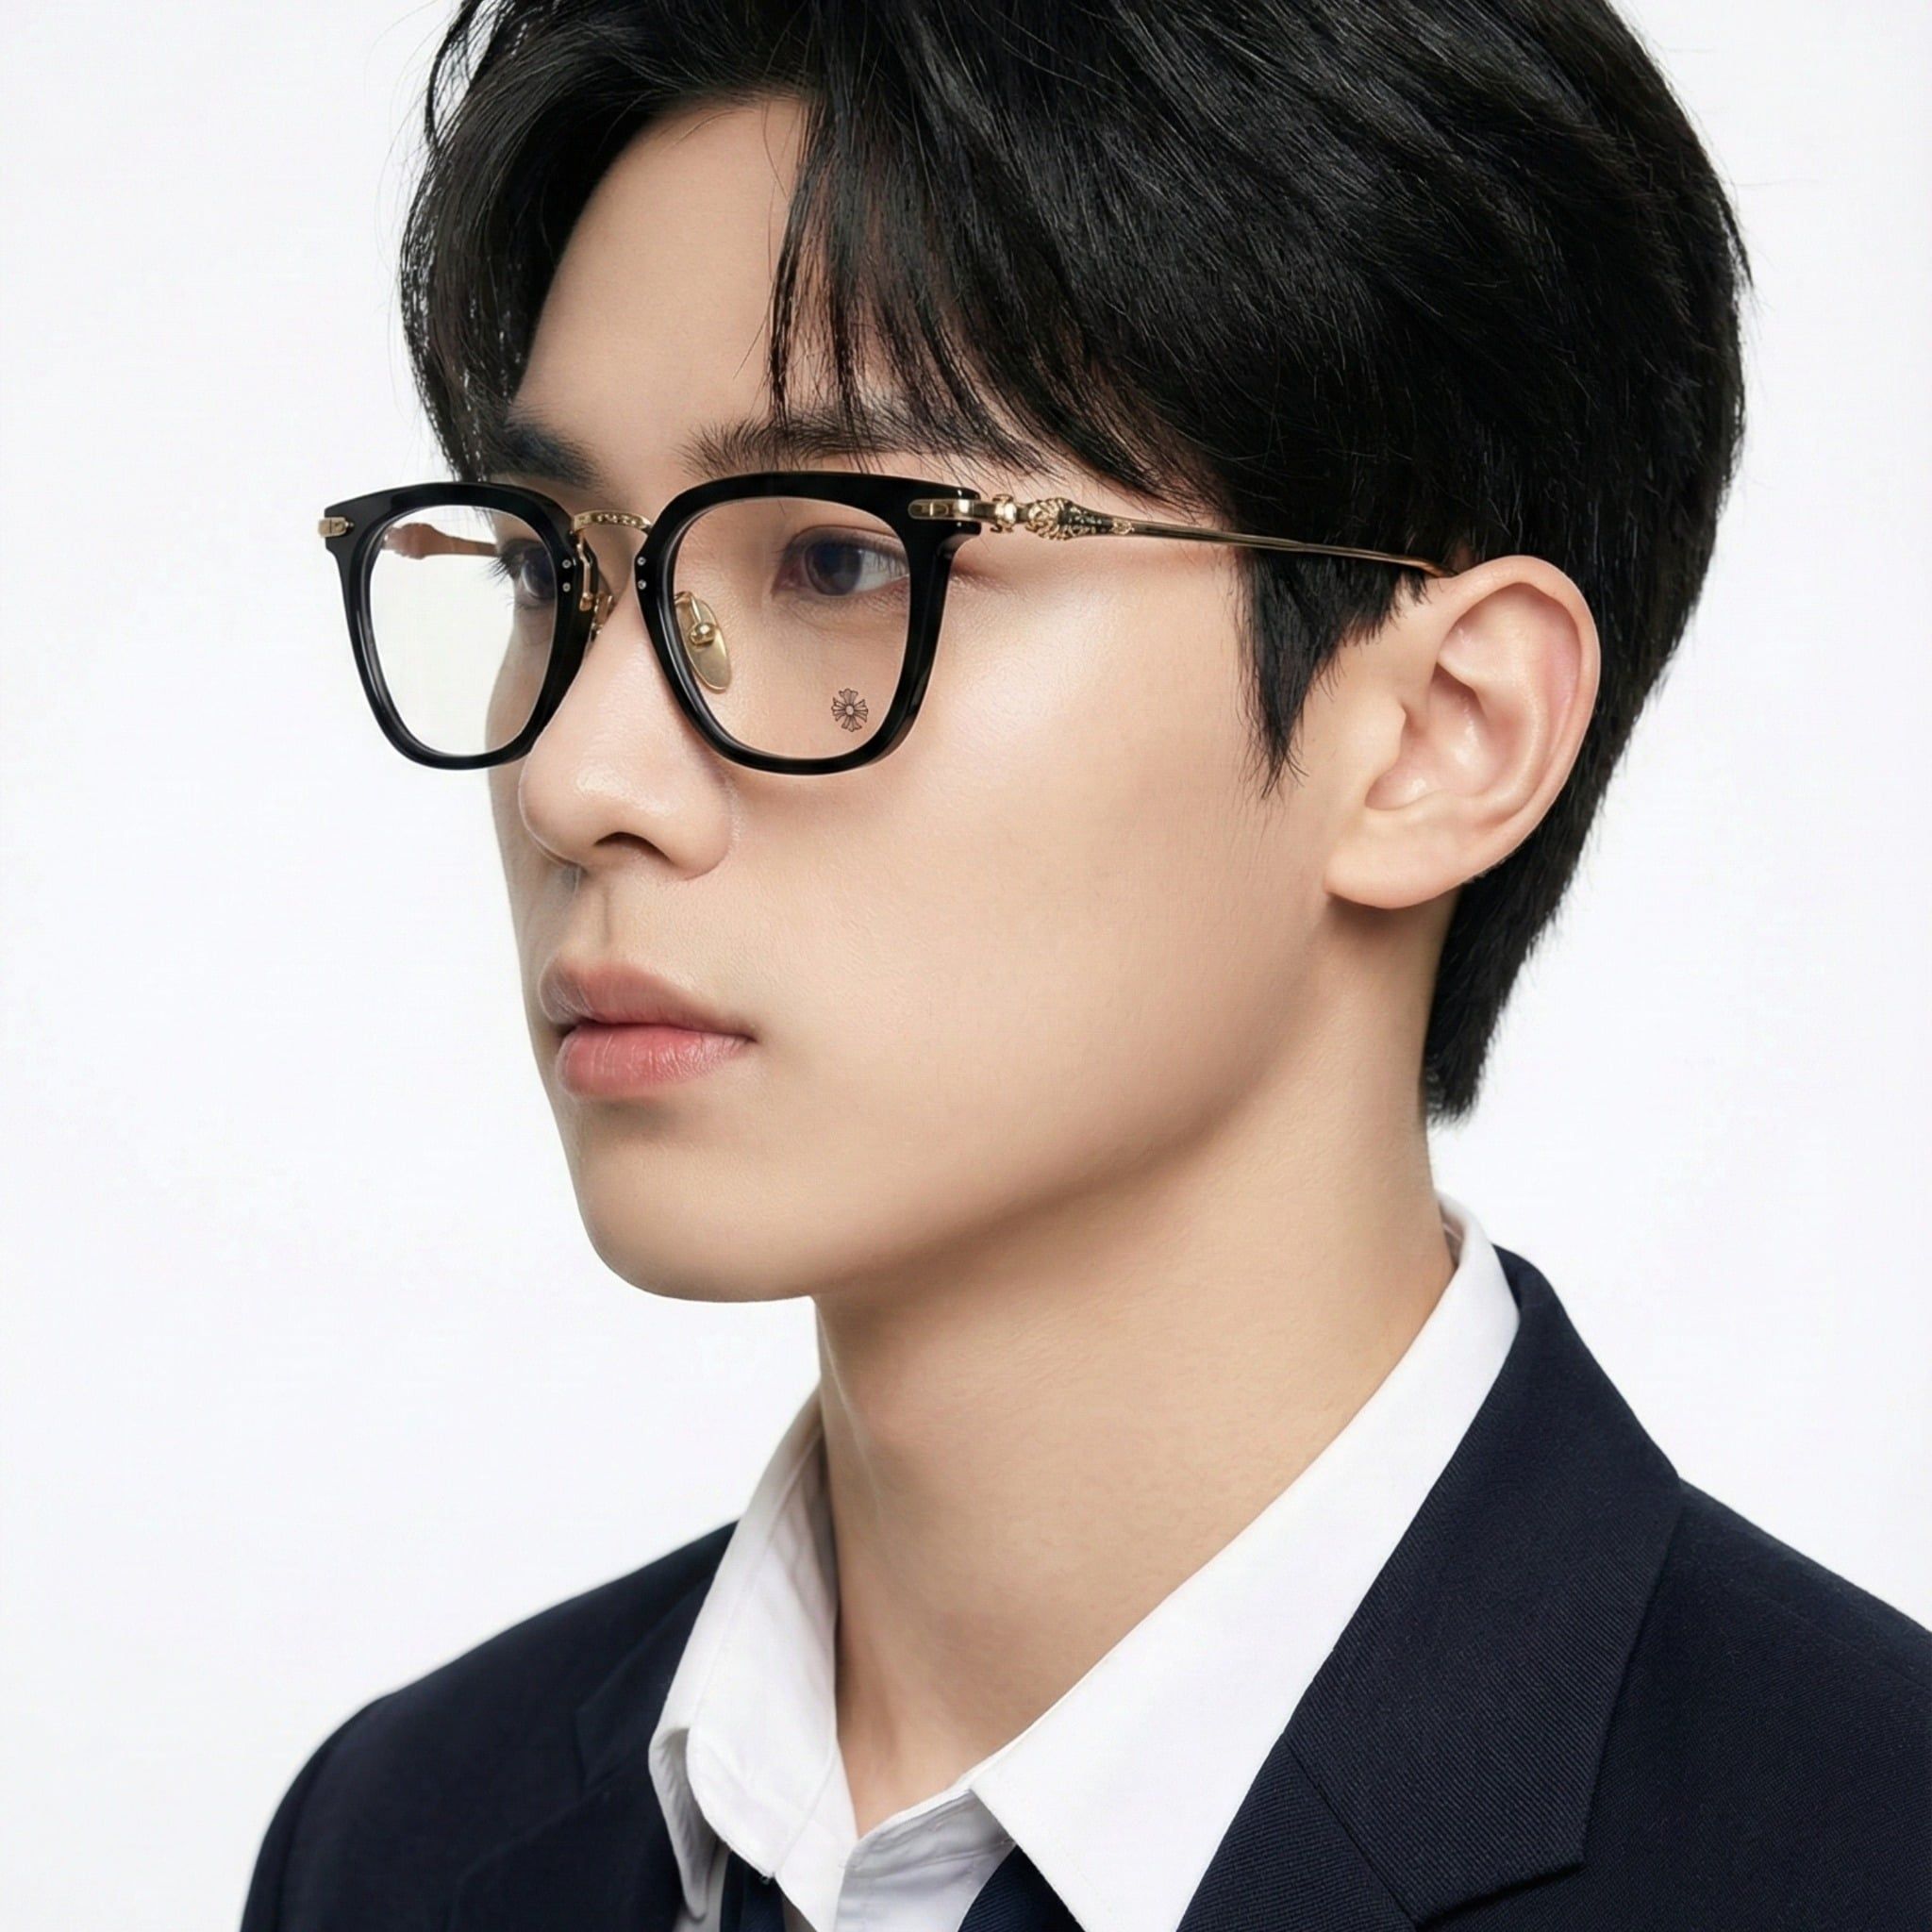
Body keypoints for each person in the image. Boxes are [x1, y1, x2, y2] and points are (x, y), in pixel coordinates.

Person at [247, 2, 1930, 1925]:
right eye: (549, 569)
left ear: (1438, 732)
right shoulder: (401, 1844)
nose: (577, 776)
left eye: (837, 561)